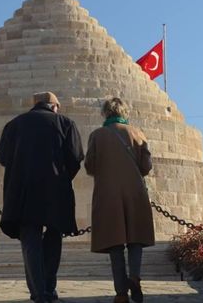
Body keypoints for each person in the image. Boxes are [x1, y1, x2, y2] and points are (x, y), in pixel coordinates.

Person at [0, 91, 84, 303]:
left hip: (23, 191)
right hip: (55, 190)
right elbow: (75, 157)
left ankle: (38, 292)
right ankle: (49, 288)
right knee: (54, 237)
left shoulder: (14, 125)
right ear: (53, 106)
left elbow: (2, 156)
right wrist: (62, 177)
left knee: (30, 239)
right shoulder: (65, 123)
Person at [84, 97, 155, 303]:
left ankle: (121, 293)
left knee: (115, 244)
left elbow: (90, 166)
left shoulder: (97, 135)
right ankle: (134, 277)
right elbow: (146, 167)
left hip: (108, 194)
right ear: (124, 113)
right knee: (135, 241)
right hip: (135, 192)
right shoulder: (138, 134)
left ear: (105, 113)